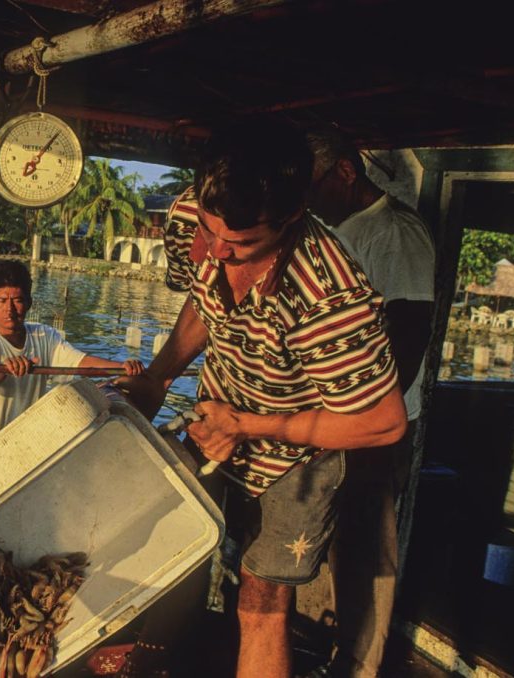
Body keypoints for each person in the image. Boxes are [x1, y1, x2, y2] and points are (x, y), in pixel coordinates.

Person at [117, 118, 407, 678]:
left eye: (242, 243)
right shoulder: (189, 217)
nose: (217, 251)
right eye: (211, 232)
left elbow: (383, 422)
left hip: (298, 458)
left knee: (260, 602)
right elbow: (205, 300)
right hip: (218, 420)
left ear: (292, 216)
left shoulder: (329, 296)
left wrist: (249, 425)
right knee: (175, 549)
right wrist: (159, 376)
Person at [306, 125, 435, 678]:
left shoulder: (394, 232)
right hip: (329, 422)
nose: (307, 198)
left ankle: (360, 665)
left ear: (345, 171)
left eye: (313, 184)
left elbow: (410, 331)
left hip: (371, 427)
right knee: (321, 542)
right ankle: (320, 648)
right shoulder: (332, 232)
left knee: (365, 551)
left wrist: (367, 420)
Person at [0, 260, 143, 457]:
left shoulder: (44, 336)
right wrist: (3, 370)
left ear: (29, 303)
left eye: (17, 300)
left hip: (22, 451)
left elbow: (80, 362)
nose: (9, 309)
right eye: (2, 301)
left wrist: (123, 367)